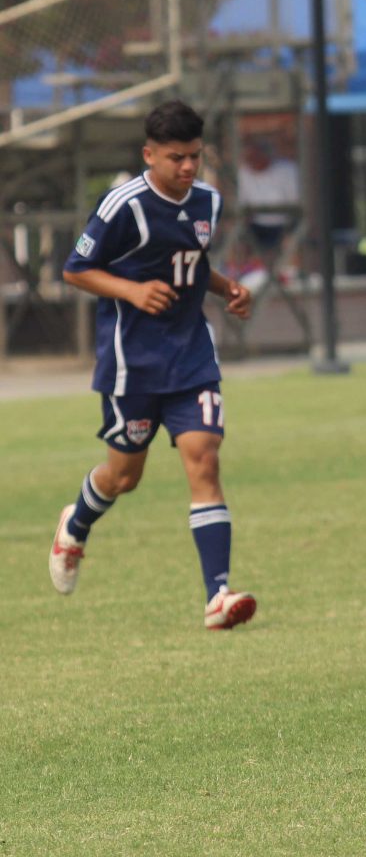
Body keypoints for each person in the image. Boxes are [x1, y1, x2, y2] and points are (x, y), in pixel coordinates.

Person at [49, 100, 256, 630]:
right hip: (132, 363)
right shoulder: (124, 205)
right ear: (150, 155)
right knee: (123, 476)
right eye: (175, 158)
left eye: (194, 157)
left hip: (191, 355)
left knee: (204, 459)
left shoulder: (209, 200)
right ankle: (75, 524)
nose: (187, 168)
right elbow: (76, 270)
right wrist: (132, 291)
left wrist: (226, 286)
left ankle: (218, 596)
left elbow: (192, 260)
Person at [237, 134, 300, 255]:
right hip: (256, 226)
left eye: (255, 157)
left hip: (284, 224)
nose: (251, 162)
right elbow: (242, 203)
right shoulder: (243, 173)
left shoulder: (286, 170)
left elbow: (295, 203)